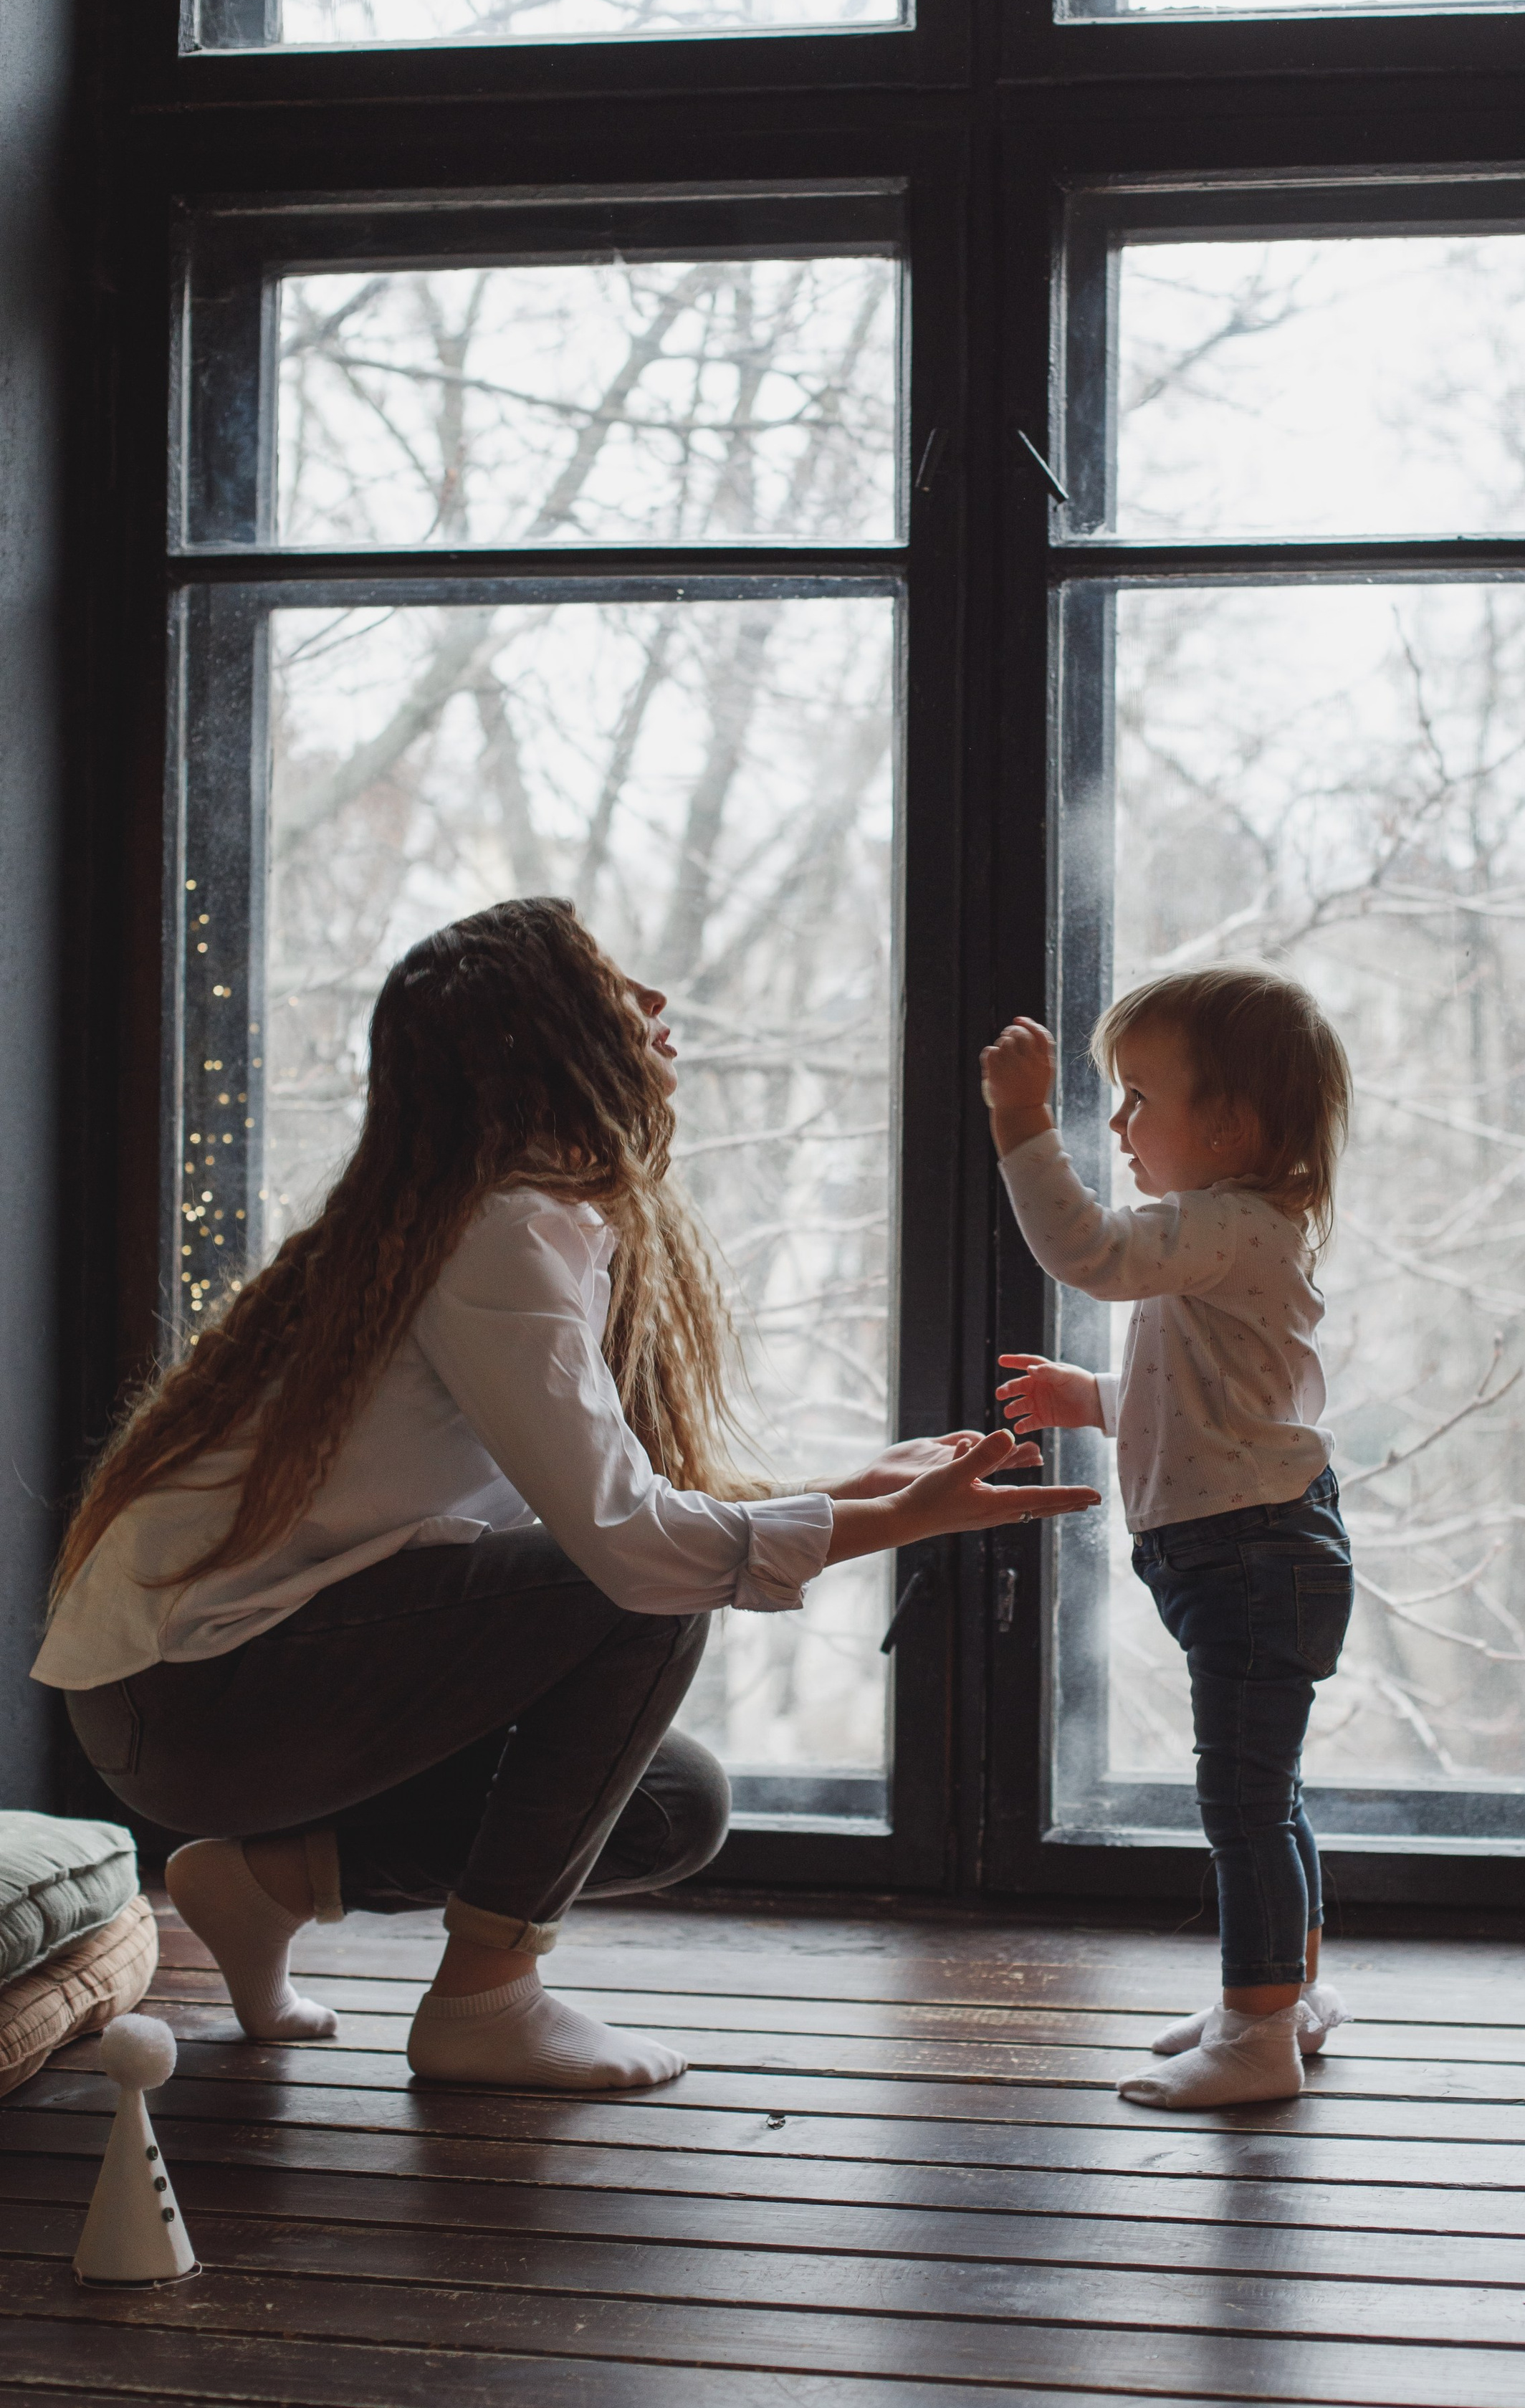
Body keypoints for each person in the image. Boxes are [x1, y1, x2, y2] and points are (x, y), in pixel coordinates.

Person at [37, 898, 1099, 2096]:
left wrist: (847, 1492)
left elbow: (616, 1507)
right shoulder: (498, 1231)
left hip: (217, 1699)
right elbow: (635, 1558)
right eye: (612, 984)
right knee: (641, 1595)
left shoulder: (515, 1221)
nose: (652, 1003)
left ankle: (270, 1881)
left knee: (671, 1804)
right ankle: (485, 2002)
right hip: (196, 1702)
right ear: (539, 1038)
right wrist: (887, 1527)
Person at [980, 965, 1354, 2108]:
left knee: (1242, 1801)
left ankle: (1256, 2037)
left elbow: (1085, 1249)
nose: (1118, 1122)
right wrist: (1088, 1394)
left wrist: (1019, 1123)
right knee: (1267, 1794)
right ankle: (1281, 1993)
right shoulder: (1232, 1239)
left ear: (1233, 1125)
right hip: (1250, 1549)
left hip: (1249, 1558)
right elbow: (1199, 1401)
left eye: (1140, 1096)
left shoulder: (1228, 1227)